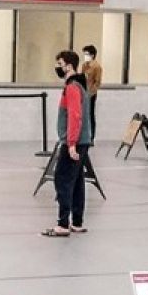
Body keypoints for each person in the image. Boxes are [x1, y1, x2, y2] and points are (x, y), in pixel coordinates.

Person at [43, 50, 93, 238]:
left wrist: (71, 143)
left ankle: (63, 224)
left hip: (75, 142)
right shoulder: (80, 85)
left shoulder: (72, 87)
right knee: (77, 181)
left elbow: (75, 116)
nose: (58, 67)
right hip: (83, 140)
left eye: (60, 63)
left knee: (62, 179)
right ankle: (77, 222)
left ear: (69, 66)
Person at [80, 44, 102, 133]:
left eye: (86, 54)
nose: (85, 56)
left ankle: (91, 136)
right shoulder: (84, 65)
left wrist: (91, 93)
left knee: (90, 114)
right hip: (83, 92)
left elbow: (97, 82)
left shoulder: (96, 67)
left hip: (91, 94)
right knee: (83, 114)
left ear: (92, 55)